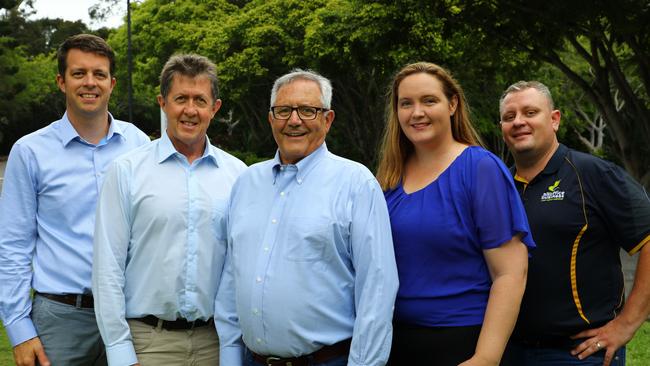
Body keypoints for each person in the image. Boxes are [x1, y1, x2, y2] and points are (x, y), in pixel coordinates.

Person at [214, 69, 399, 366]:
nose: (294, 120)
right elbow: (231, 279)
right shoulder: (247, 183)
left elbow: (377, 290)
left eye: (308, 110)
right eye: (284, 110)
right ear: (271, 118)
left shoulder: (356, 183)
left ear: (328, 120)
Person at [0, 33, 150, 366]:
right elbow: (12, 246)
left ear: (112, 83)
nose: (90, 83)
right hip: (61, 319)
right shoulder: (30, 152)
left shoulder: (139, 144)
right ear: (61, 81)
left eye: (99, 74)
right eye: (78, 73)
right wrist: (20, 330)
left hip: (130, 316)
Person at [375, 62, 534, 366]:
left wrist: (485, 358)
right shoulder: (388, 179)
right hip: (394, 342)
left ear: (452, 104)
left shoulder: (479, 168)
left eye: (429, 100)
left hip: (461, 342)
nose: (416, 112)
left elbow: (511, 273)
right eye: (405, 103)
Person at [92, 54, 246, 366]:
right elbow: (107, 267)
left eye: (200, 100)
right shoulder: (126, 171)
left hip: (215, 344)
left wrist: (231, 352)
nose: (190, 110)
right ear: (163, 103)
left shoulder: (238, 176)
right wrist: (120, 352)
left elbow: (239, 268)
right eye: (181, 99)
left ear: (214, 108)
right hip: (148, 344)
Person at [499, 81, 650, 366]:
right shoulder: (499, 187)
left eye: (530, 112)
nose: (519, 122)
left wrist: (627, 324)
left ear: (554, 119)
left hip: (579, 354)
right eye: (509, 117)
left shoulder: (593, 174)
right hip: (510, 351)